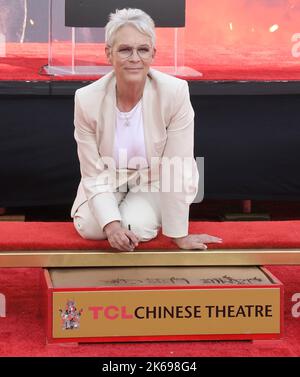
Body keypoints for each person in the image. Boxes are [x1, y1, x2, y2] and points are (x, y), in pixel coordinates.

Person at [71, 8, 222, 252]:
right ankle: (117, 213)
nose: (134, 58)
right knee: (91, 226)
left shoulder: (175, 92)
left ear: (153, 54)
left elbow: (178, 165)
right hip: (109, 177)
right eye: (124, 49)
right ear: (108, 53)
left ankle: (142, 212)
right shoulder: (86, 99)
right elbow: (92, 172)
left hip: (158, 179)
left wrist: (178, 234)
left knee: (135, 228)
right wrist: (111, 226)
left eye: (142, 49)